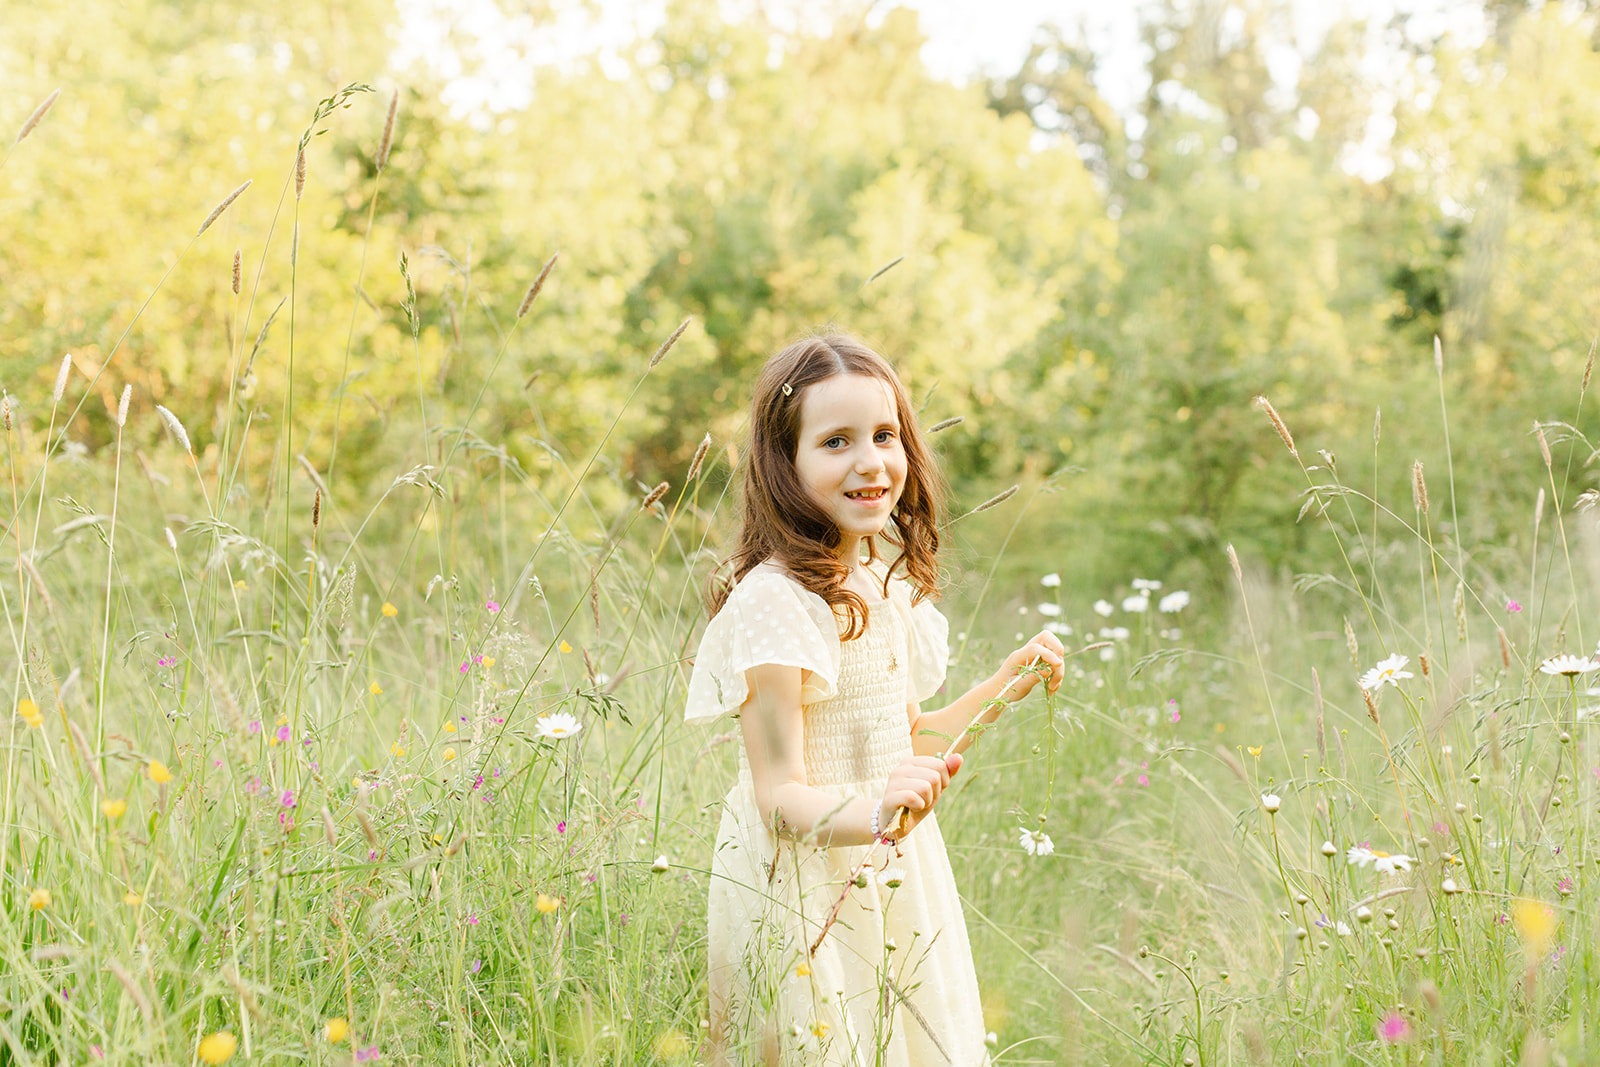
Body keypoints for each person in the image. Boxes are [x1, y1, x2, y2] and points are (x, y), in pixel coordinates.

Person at [684, 332, 1065, 1066]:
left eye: (885, 435)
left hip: (889, 868)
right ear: (782, 463)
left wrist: (1001, 688)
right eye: (836, 441)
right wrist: (878, 817)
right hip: (805, 890)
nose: (871, 461)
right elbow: (778, 796)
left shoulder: (879, 581)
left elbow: (906, 740)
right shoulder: (776, 603)